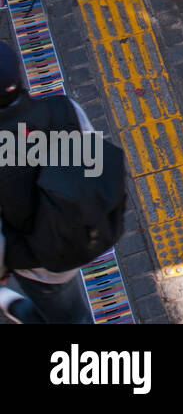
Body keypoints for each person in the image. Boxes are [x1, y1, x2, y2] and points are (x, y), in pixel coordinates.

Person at [0, 44, 95, 324]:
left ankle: (17, 309)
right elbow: (95, 162)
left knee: (69, 317)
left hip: (42, 264)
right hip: (82, 230)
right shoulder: (64, 110)